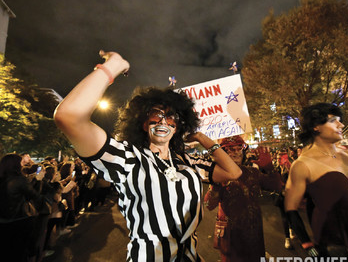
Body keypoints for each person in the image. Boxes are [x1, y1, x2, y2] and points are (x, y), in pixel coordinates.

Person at [54, 50, 242, 261]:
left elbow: (233, 172)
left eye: (171, 117)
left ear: (178, 126)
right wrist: (111, 68)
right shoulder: (127, 158)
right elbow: (68, 116)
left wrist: (202, 138)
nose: (163, 121)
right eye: (156, 115)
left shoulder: (187, 161)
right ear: (144, 124)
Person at [284, 103, 348, 257]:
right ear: (316, 126)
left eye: (340, 120)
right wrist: (308, 246)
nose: (341, 124)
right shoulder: (302, 164)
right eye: (333, 121)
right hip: (335, 241)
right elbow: (291, 208)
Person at [204, 136, 282, 262]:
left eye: (239, 148)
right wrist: (217, 182)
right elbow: (208, 204)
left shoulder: (252, 172)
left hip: (254, 232)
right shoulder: (218, 175)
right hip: (231, 236)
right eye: (230, 149)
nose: (236, 152)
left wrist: (269, 168)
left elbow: (277, 186)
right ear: (222, 154)